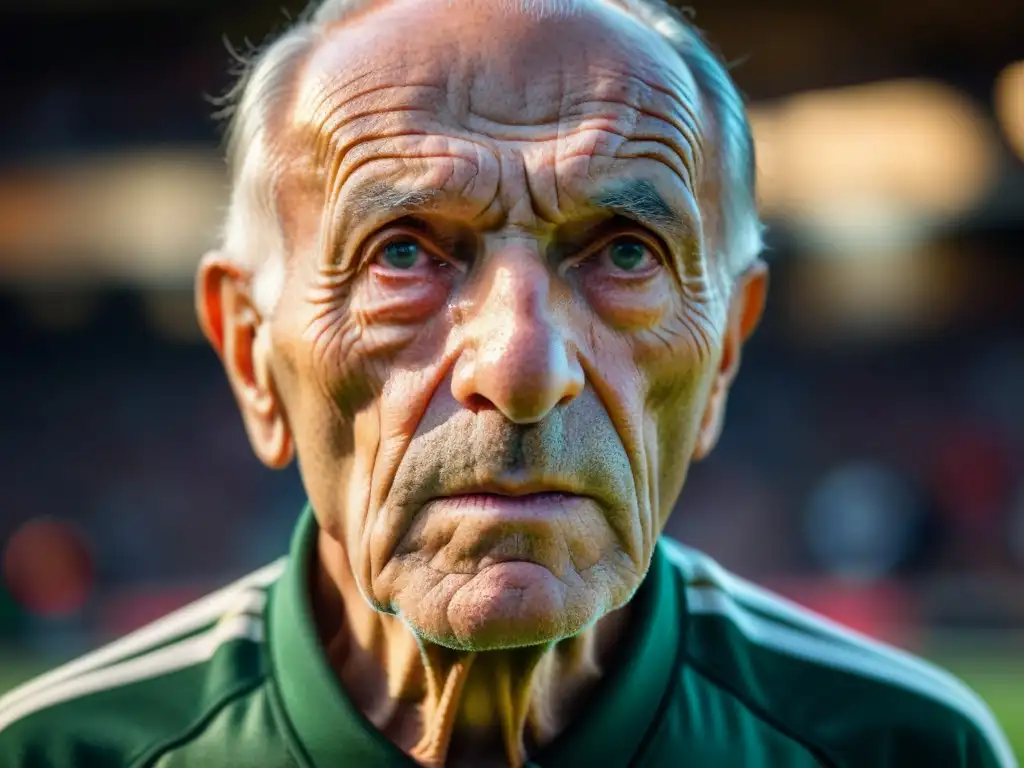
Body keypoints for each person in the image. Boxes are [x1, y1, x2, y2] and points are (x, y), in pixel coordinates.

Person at [0, 0, 1016, 765]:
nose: (522, 368)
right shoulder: (53, 755)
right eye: (402, 254)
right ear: (252, 354)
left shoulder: (905, 750)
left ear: (724, 359)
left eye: (623, 254)